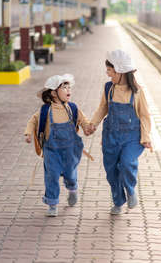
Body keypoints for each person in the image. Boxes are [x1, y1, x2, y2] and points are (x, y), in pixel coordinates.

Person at [88, 50, 152, 215]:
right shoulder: (109, 88)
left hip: (132, 137)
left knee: (126, 163)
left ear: (120, 71)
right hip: (111, 136)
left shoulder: (137, 92)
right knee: (111, 172)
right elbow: (103, 108)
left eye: (110, 70)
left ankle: (130, 190)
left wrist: (146, 137)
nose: (108, 74)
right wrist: (93, 124)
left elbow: (144, 116)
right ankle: (118, 201)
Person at [25, 74, 91, 217]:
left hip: (70, 150)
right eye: (64, 87)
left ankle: (72, 188)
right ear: (54, 93)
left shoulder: (72, 108)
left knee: (70, 174)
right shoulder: (45, 110)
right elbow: (33, 121)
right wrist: (28, 133)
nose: (69, 90)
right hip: (51, 150)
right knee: (52, 175)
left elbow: (83, 119)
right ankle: (52, 203)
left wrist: (87, 127)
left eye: (69, 87)